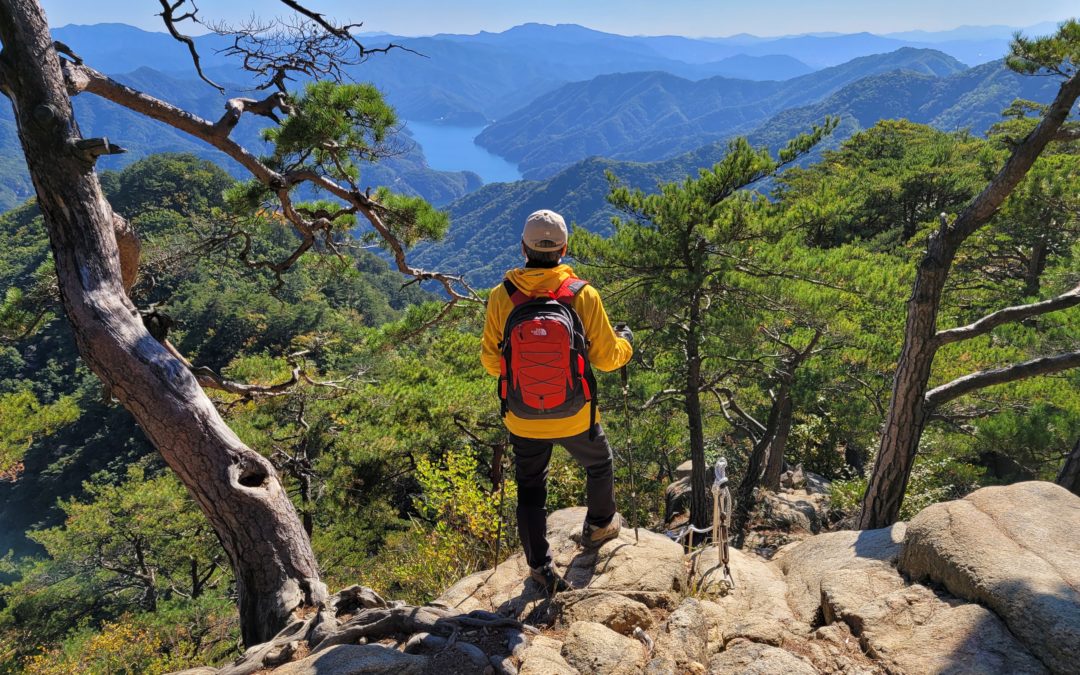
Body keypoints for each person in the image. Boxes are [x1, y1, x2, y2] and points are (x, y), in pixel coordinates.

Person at [481, 209, 633, 593]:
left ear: (523, 248)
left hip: (523, 415)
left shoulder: (502, 296)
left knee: (530, 488)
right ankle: (599, 526)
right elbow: (607, 358)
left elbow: (489, 361)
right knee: (599, 464)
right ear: (565, 249)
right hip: (576, 412)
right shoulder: (582, 294)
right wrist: (626, 343)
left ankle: (538, 566)